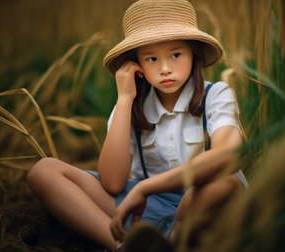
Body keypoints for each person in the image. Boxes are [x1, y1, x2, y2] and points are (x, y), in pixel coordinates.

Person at [27, 0, 247, 251]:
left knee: (222, 184)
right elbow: (112, 183)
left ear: (193, 53)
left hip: (202, 205)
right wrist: (124, 99)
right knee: (44, 170)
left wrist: (145, 187)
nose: (165, 69)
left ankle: (175, 242)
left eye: (176, 55)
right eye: (151, 58)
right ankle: (123, 245)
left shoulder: (216, 94)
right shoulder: (131, 106)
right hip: (147, 209)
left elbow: (228, 155)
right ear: (137, 66)